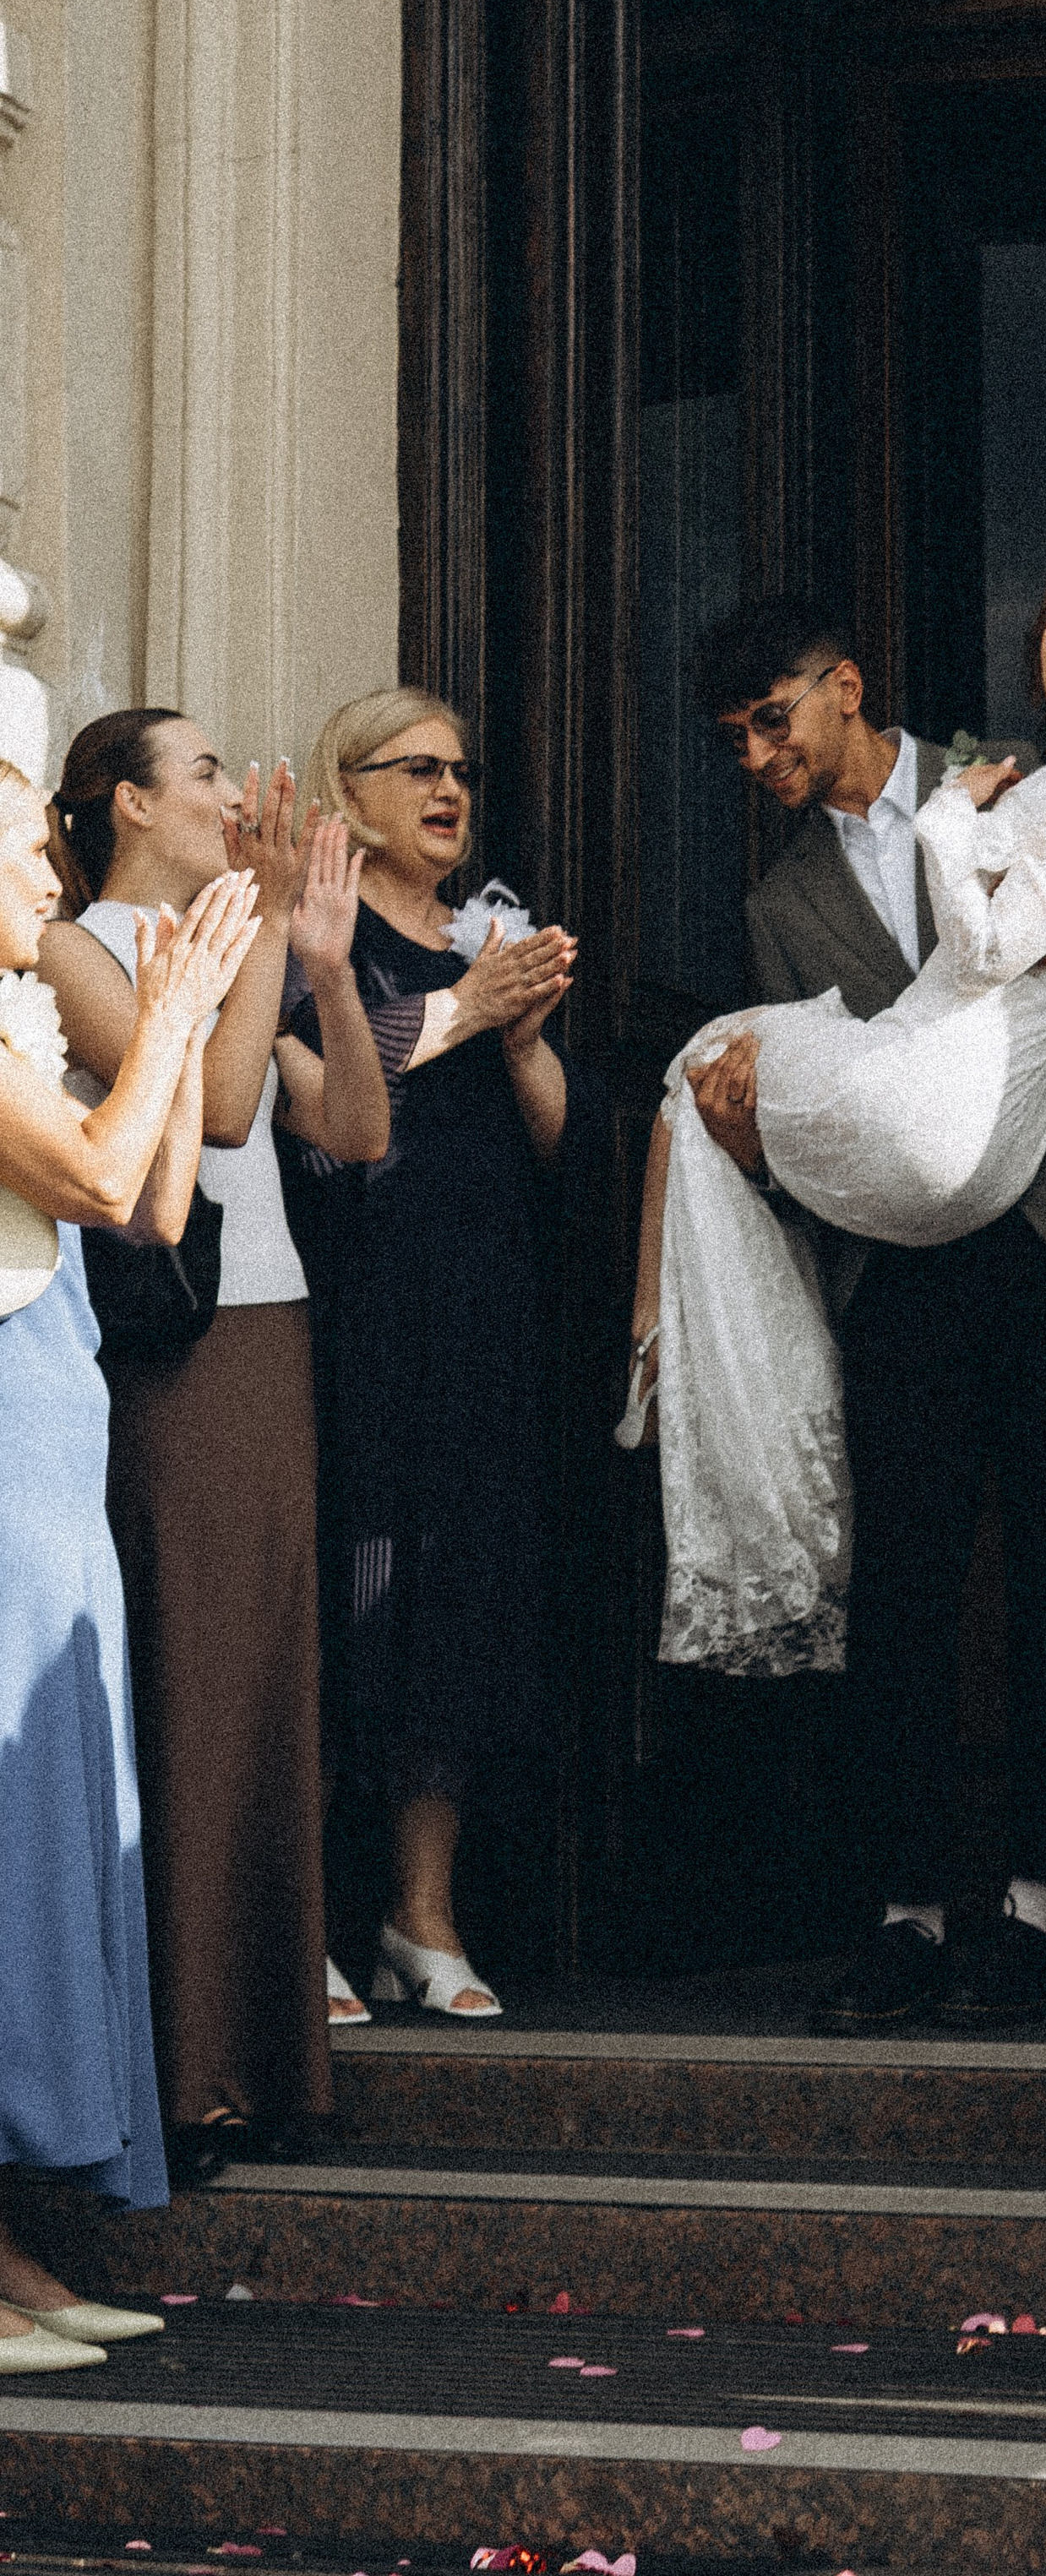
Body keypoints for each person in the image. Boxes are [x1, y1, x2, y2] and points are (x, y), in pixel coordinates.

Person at [666, 555, 1046, 2024]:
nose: (757, 758)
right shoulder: (780, 904)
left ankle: (1040, 1905)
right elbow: (825, 1110)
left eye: (773, 722)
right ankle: (900, 1914)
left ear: (845, 689)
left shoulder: (1027, 773)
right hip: (904, 1273)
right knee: (895, 1591)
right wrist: (756, 1156)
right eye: (734, 742)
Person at [39, 715, 390, 2174]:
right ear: (128, 803)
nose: (236, 795)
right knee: (188, 1684)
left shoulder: (231, 950)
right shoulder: (76, 949)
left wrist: (325, 968)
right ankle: (183, 2077)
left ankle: (264, 2058)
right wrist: (259, 937)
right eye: (201, 773)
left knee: (267, 1691)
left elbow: (354, 1131)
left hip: (271, 1330)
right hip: (168, 1349)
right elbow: (223, 1106)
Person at [0, 759, 257, 2367]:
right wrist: (164, 1016)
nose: (51, 873)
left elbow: (153, 1206)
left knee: (54, 1825)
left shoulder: (21, 1022)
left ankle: (14, 2250)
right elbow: (93, 1172)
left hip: (54, 1450)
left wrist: (191, 1010)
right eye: (22, 844)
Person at [283, 692, 578, 2019]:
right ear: (351, 789)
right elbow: (313, 1089)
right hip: (359, 1300)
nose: (450, 791)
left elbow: (552, 1135)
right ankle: (309, 1922)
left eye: (461, 770)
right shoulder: (319, 929)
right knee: (350, 1599)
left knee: (462, 1603)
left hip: (483, 1303)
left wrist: (521, 1038)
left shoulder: (486, 931)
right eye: (418, 770)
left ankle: (424, 1916)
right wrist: (464, 1005)